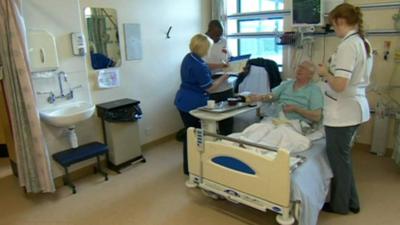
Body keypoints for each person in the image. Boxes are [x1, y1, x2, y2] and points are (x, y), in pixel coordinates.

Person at [317, 3, 373, 215]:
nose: (334, 29)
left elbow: (340, 84)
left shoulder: (348, 46)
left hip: (343, 113)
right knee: (344, 159)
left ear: (340, 22)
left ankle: (340, 205)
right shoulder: (362, 42)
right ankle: (352, 201)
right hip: (354, 108)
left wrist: (324, 73)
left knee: (339, 161)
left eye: (333, 25)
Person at [174, 33, 229, 175]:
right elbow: (210, 87)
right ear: (204, 48)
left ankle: (190, 167)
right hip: (193, 104)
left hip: (182, 100)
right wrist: (225, 76)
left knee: (189, 134)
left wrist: (221, 65)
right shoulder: (199, 66)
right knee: (196, 136)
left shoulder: (190, 57)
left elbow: (205, 65)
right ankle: (194, 168)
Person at [247, 60, 323, 124]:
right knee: (255, 131)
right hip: (277, 120)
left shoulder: (314, 90)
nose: (299, 69)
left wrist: (296, 109)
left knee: (276, 137)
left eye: (303, 68)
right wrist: (259, 97)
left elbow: (317, 116)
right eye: (299, 67)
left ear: (310, 75)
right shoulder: (287, 84)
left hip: (296, 123)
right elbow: (272, 96)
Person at [204, 20, 234, 135]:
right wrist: (220, 65)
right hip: (211, 86)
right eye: (216, 34)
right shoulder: (203, 43)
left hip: (226, 86)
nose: (218, 37)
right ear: (209, 31)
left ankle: (227, 141)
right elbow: (202, 66)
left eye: (220, 34)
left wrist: (234, 63)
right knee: (210, 120)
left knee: (227, 118)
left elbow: (229, 57)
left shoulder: (224, 41)